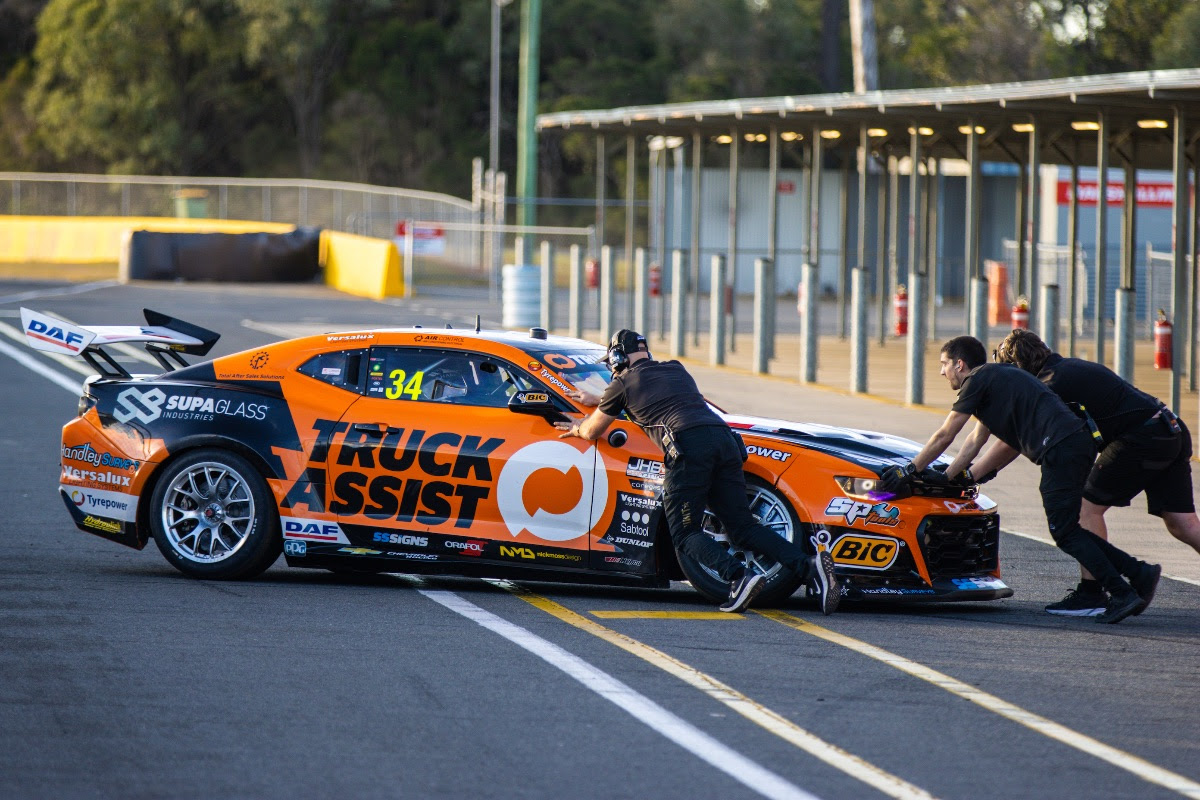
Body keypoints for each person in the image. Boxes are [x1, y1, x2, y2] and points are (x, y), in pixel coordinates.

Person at [878, 335, 1160, 624]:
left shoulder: (977, 380)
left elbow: (945, 434)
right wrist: (951, 477)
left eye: (944, 364)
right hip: (1074, 445)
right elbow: (974, 442)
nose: (941, 371)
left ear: (960, 364)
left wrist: (908, 470)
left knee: (1064, 531)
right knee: (1068, 528)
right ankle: (1139, 572)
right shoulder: (996, 379)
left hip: (1061, 448)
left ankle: (1122, 592)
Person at [555, 329, 840, 614]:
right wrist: (600, 399)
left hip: (689, 447)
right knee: (743, 526)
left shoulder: (622, 384)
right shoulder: (676, 370)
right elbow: (657, 399)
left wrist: (577, 428)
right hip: (725, 440)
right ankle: (810, 566)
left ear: (617, 358)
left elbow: (593, 430)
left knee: (685, 533)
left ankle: (739, 577)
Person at [994, 329, 1189, 615]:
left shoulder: (1050, 385)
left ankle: (1091, 592)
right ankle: (1096, 589)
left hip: (1142, 438)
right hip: (1170, 427)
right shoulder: (1067, 368)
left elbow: (1012, 441)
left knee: (1086, 509)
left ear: (1017, 368)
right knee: (1182, 522)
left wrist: (977, 473)